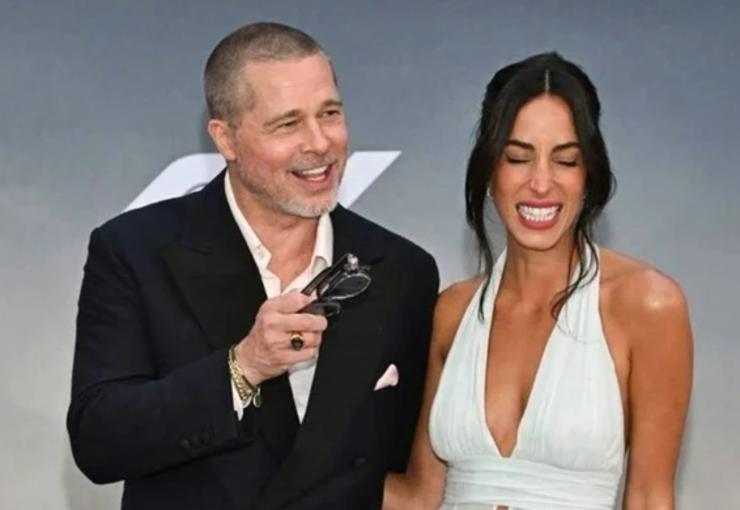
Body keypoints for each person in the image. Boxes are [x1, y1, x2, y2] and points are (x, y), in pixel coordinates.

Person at [67, 22, 438, 510]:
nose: (320, 142)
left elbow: (404, 468)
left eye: (329, 113)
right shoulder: (135, 250)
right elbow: (99, 441)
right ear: (226, 139)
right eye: (288, 124)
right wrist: (243, 368)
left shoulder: (403, 271)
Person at [383, 52, 692, 510]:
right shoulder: (452, 312)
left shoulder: (647, 305)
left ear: (589, 174)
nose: (542, 183)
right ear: (490, 170)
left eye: (565, 160)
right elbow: (420, 498)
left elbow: (649, 497)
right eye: (518, 158)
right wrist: (295, 458)